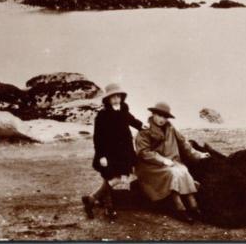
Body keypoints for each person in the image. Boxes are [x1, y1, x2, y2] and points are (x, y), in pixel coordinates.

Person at [134, 102, 210, 224]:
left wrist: (199, 154)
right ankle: (179, 208)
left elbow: (184, 144)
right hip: (150, 166)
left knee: (183, 171)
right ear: (153, 114)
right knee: (173, 173)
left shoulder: (171, 128)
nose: (162, 119)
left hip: (171, 162)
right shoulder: (144, 130)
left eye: (165, 117)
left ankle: (193, 206)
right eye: (159, 116)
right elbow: (143, 152)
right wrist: (163, 160)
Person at [81, 83, 144, 222]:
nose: (116, 99)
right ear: (108, 99)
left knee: (120, 178)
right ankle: (108, 208)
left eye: (118, 96)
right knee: (109, 177)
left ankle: (92, 199)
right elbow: (98, 138)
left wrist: (142, 126)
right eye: (112, 97)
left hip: (124, 152)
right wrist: (101, 155)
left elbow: (132, 120)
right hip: (109, 153)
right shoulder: (102, 115)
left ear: (121, 97)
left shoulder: (124, 110)